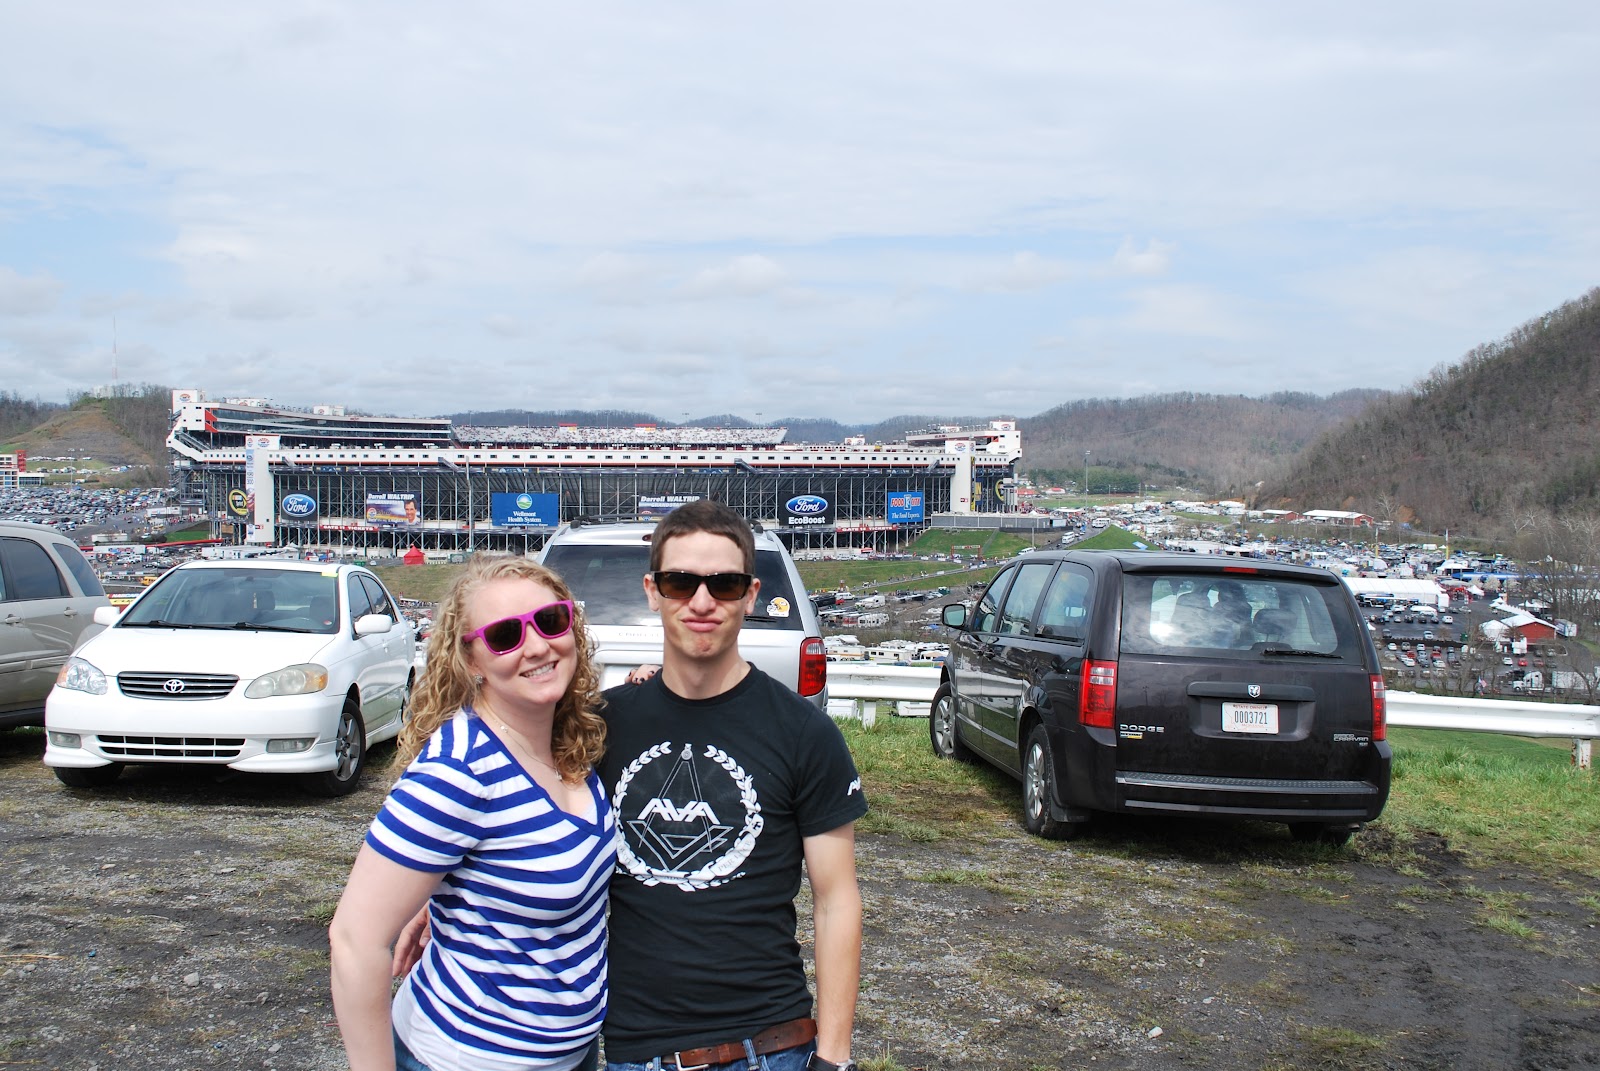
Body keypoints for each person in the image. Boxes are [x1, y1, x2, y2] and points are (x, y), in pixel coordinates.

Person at [598, 498, 867, 1071]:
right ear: (653, 590)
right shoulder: (602, 728)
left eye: (723, 584)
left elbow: (837, 897)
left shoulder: (805, 733)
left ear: (750, 593)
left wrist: (834, 1055)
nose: (701, 601)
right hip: (637, 1050)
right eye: (680, 582)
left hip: (771, 1047)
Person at [330, 555, 614, 1071]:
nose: (536, 646)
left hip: (569, 1055)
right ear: (472, 660)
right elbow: (354, 941)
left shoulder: (567, 742)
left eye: (550, 621)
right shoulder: (460, 770)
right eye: (505, 635)